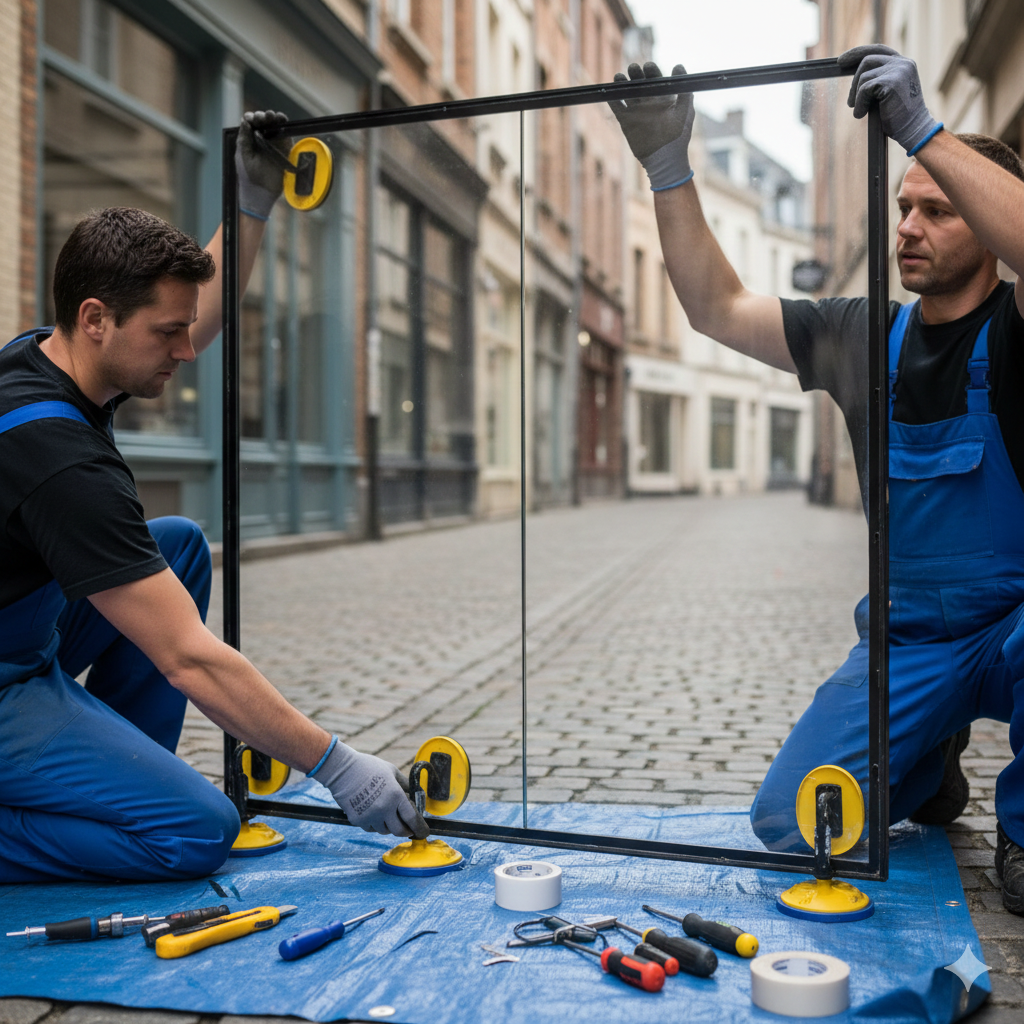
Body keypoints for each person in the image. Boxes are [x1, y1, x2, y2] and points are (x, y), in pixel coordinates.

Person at [610, 46, 1024, 912]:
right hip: (909, 643)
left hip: (1016, 629)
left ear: (988, 228)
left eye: (937, 210)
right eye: (903, 206)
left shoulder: (1017, 330)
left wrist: (924, 130)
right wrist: (667, 166)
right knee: (797, 826)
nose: (905, 226)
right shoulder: (860, 335)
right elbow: (716, 309)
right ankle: (926, 767)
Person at [0, 111, 427, 884]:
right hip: (6, 681)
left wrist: (249, 199)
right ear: (96, 319)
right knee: (195, 833)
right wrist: (337, 767)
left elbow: (193, 301)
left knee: (180, 544)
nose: (188, 350)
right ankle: (109, 802)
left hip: (22, 633)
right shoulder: (60, 459)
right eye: (168, 334)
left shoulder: (47, 355)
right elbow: (189, 658)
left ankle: (113, 776)